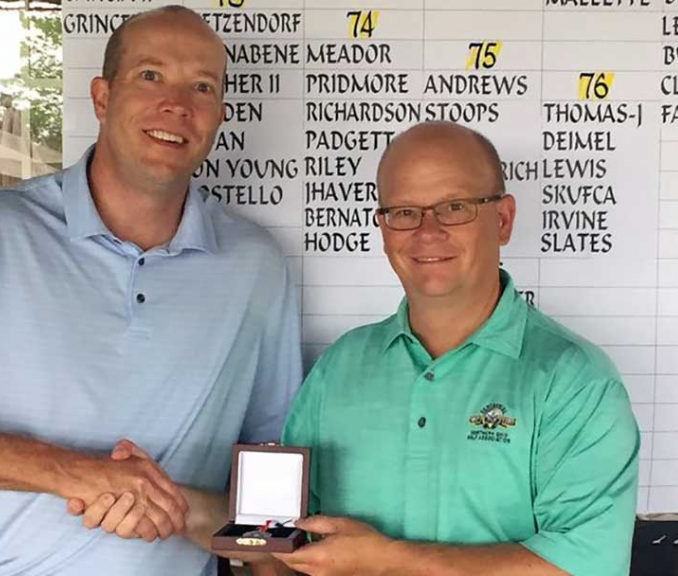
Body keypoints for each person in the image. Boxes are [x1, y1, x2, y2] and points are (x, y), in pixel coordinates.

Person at [0, 6, 301, 575]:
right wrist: (80, 473)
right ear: (103, 97)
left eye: (202, 87)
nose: (177, 105)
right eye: (150, 76)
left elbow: (270, 489)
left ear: (219, 116)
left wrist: (199, 519)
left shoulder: (256, 266)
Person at [272, 122, 639, 576]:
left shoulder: (572, 379)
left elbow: (587, 567)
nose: (428, 232)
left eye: (455, 207)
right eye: (404, 212)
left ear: (503, 220)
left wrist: (388, 560)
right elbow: (282, 533)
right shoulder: (339, 367)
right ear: (383, 228)